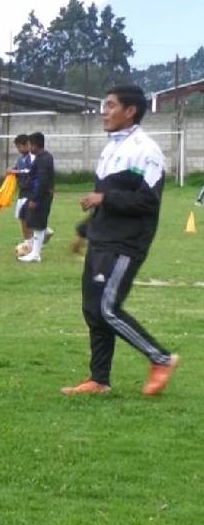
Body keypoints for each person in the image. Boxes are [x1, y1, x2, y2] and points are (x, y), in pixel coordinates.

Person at [61, 85, 179, 396]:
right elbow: (106, 197)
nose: (104, 112)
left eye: (111, 106)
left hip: (125, 243)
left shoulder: (146, 150)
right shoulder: (112, 148)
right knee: (93, 310)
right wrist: (84, 232)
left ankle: (161, 359)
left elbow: (148, 201)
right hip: (101, 239)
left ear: (130, 111)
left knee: (107, 309)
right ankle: (99, 380)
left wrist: (104, 198)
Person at [18, 132, 55, 263]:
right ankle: (44, 233)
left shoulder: (44, 159)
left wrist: (35, 199)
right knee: (23, 213)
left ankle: (35, 254)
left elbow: (42, 181)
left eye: (29, 145)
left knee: (38, 224)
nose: (28, 147)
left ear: (34, 145)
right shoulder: (40, 157)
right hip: (34, 194)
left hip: (41, 196)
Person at [11, 134, 34, 246]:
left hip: (31, 191)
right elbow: (17, 170)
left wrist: (17, 172)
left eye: (19, 147)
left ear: (26, 145)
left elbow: (31, 171)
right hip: (22, 191)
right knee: (21, 217)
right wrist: (12, 171)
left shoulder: (32, 157)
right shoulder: (20, 159)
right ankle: (28, 241)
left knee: (26, 216)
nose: (18, 149)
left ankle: (35, 238)